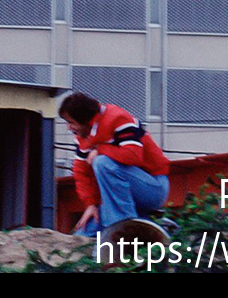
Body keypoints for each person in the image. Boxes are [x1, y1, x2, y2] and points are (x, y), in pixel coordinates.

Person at [59, 92, 170, 237]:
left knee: (102, 162)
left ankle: (124, 227)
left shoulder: (118, 118)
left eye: (71, 122)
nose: (69, 128)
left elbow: (133, 155)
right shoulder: (82, 136)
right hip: (120, 197)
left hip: (153, 187)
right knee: (82, 236)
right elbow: (80, 172)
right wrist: (91, 204)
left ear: (84, 119)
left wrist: (100, 150)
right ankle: (138, 223)